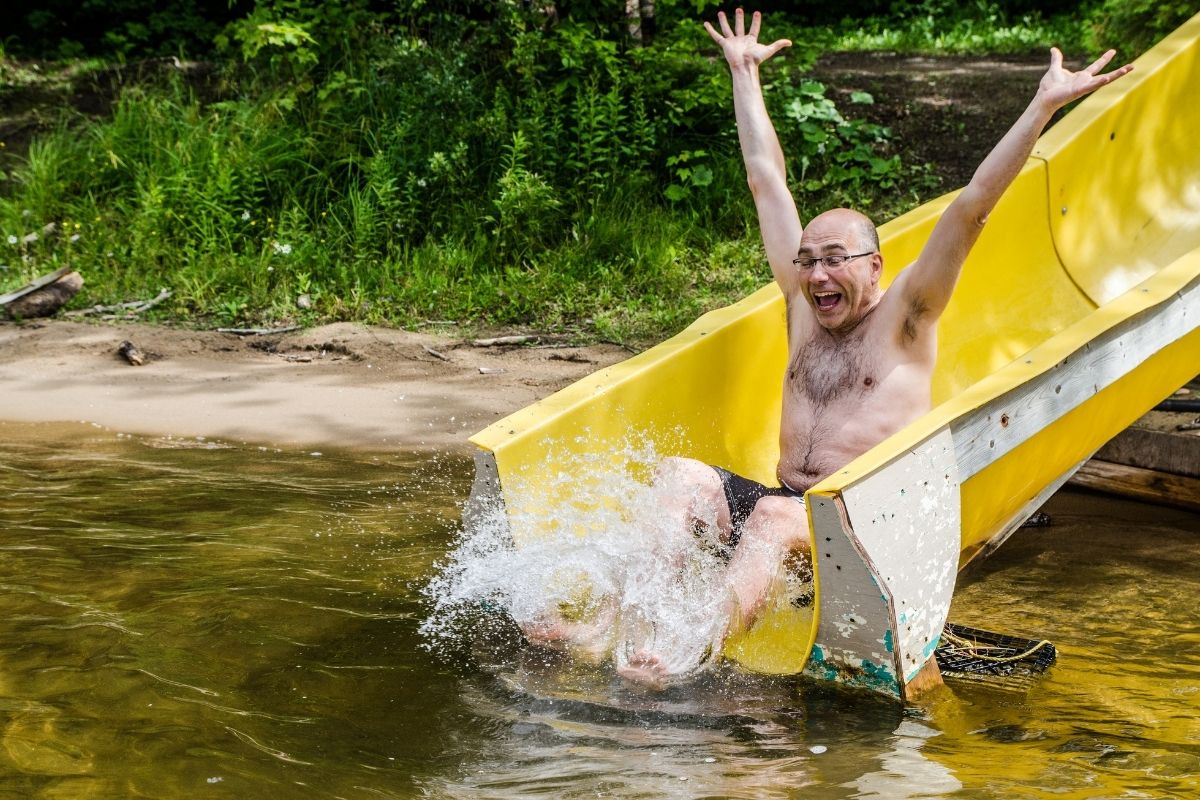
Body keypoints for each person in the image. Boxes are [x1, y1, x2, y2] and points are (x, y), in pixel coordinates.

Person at [527, 8, 1132, 687]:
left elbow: (972, 208)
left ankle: (691, 650)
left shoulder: (908, 315)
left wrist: (1041, 106)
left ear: (876, 266)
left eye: (835, 259)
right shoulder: (802, 308)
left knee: (778, 519)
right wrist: (743, 72)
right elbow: (765, 178)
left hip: (859, 523)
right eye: (807, 260)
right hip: (784, 501)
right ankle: (611, 623)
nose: (816, 274)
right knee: (679, 479)